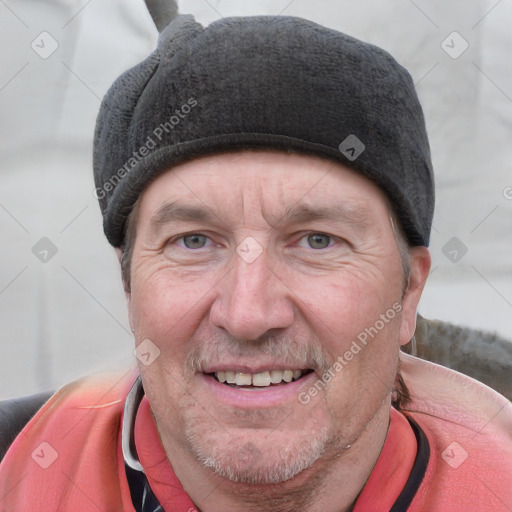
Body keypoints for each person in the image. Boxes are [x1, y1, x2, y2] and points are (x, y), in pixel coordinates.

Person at [1, 2, 511, 511]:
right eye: (193, 241)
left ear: (407, 293)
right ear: (129, 283)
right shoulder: (15, 471)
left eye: (317, 240)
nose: (248, 314)